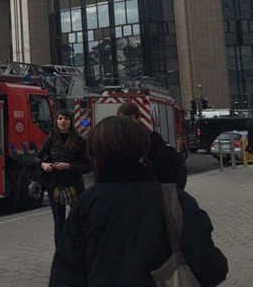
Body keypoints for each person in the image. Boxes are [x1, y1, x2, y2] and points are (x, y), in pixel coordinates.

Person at [49, 116, 228, 286]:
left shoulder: (85, 205)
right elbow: (211, 269)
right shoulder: (175, 200)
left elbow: (65, 274)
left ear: (95, 154)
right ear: (143, 150)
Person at [34, 109, 91, 244]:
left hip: (73, 186)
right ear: (56, 121)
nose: (63, 121)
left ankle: (79, 250)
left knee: (77, 221)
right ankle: (60, 253)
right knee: (59, 223)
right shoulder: (51, 138)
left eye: (66, 119)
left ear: (71, 122)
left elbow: (88, 167)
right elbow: (36, 157)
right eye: (60, 119)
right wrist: (43, 165)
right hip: (55, 186)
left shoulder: (79, 141)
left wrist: (69, 166)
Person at [117, 101, 187, 189]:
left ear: (133, 118)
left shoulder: (150, 141)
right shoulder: (153, 139)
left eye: (121, 119)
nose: (120, 124)